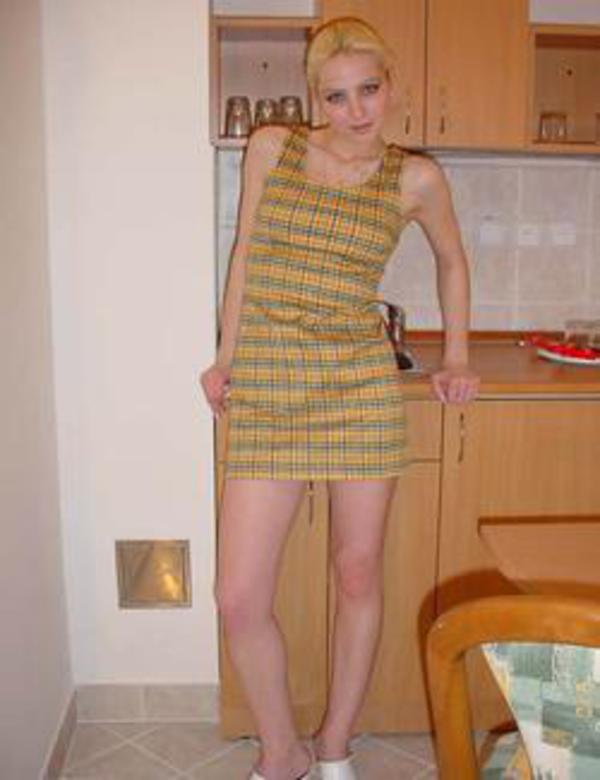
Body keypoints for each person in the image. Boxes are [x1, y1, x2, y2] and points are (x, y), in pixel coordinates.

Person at [201, 17, 479, 780]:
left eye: (369, 90)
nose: (356, 110)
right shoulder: (273, 148)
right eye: (336, 95)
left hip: (357, 381)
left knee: (357, 573)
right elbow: (247, 252)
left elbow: (453, 261)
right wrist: (226, 355)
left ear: (391, 87)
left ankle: (333, 745)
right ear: (313, 97)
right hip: (269, 379)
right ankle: (281, 748)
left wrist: (457, 355)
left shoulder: (415, 177)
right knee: (238, 595)